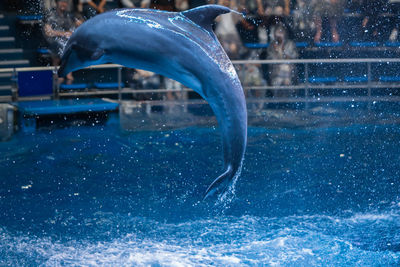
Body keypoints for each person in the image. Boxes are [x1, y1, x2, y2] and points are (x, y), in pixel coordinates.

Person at [43, 0, 82, 82]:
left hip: (66, 40)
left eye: (65, 2)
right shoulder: (50, 14)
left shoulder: (69, 15)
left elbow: (80, 24)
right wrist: (63, 34)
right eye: (61, 1)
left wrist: (79, 25)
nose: (63, 4)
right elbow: (48, 32)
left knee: (71, 44)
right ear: (57, 3)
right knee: (59, 44)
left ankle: (68, 70)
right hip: (52, 40)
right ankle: (58, 71)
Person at [266, 23, 298, 97]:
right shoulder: (271, 46)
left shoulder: (290, 44)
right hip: (276, 73)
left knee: (287, 83)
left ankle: (289, 101)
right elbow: (269, 60)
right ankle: (278, 102)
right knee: (278, 83)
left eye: (281, 32)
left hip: (289, 73)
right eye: (277, 32)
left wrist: (283, 52)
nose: (279, 35)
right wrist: (276, 52)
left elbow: (294, 58)